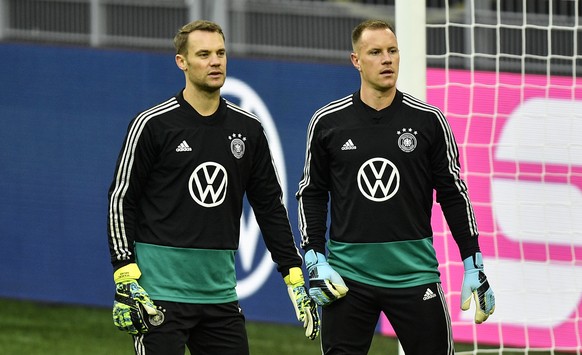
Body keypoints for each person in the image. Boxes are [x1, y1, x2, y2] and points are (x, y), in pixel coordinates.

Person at [107, 20, 319, 355]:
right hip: (158, 295)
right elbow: (122, 199)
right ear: (182, 62)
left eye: (220, 53)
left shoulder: (248, 129)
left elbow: (269, 206)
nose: (215, 61)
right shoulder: (152, 124)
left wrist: (292, 272)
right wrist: (124, 272)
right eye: (203, 54)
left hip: (220, 297)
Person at [296, 19, 495, 355]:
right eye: (375, 52)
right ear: (356, 60)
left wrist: (473, 261)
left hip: (414, 275)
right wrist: (314, 256)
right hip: (347, 279)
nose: (387, 59)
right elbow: (312, 193)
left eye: (392, 51)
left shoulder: (428, 120)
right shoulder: (327, 122)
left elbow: (453, 193)